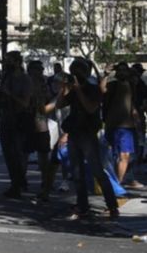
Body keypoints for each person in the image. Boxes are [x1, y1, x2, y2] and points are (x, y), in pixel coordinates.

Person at [44, 58, 120, 221]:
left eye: (79, 72)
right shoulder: (72, 90)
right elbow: (59, 105)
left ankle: (112, 206)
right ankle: (82, 205)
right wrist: (64, 89)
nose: (77, 75)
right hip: (74, 133)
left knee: (97, 171)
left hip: (88, 135)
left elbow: (90, 107)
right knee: (76, 172)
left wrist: (78, 90)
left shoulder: (94, 89)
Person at [0, 51, 32, 198]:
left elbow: (25, 102)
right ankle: (16, 182)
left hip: (20, 119)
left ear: (17, 62)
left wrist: (9, 94)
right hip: (6, 119)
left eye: (9, 61)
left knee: (19, 154)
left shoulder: (24, 79)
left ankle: (19, 183)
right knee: (9, 154)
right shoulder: (5, 78)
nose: (6, 64)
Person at [27, 61, 58, 201]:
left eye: (40, 69)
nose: (40, 72)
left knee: (43, 153)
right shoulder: (26, 82)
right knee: (26, 152)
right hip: (29, 120)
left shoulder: (45, 83)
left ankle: (45, 181)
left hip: (41, 120)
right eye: (37, 69)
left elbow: (49, 99)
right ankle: (25, 180)